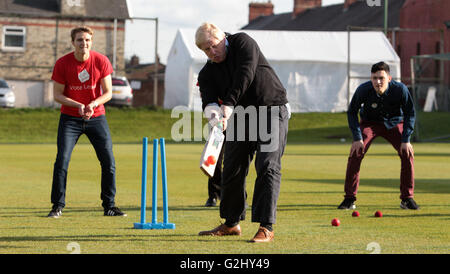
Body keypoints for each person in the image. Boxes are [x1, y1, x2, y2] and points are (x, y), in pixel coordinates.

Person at [195, 23, 290, 242]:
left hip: (271, 109)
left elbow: (244, 76)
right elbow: (208, 100)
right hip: (240, 117)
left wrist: (227, 106)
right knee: (232, 168)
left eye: (214, 46)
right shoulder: (207, 73)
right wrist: (214, 116)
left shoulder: (243, 43)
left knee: (267, 166)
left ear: (222, 38)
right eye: (205, 50)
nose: (212, 53)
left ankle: (266, 226)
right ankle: (231, 223)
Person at [48, 26, 126, 218]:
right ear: (73, 42)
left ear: (92, 41)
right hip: (70, 119)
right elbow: (57, 95)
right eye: (80, 40)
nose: (84, 44)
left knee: (108, 162)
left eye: (87, 40)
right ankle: (57, 206)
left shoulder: (101, 61)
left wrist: (92, 104)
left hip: (96, 117)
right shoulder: (63, 63)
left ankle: (109, 206)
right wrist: (78, 105)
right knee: (62, 161)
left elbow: (108, 92)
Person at [338, 61, 420, 210]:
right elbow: (351, 112)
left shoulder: (400, 89)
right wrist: (357, 138)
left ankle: (407, 199)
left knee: (407, 153)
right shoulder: (363, 90)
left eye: (381, 78)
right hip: (370, 124)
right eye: (374, 78)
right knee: (356, 151)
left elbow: (410, 113)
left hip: (394, 123)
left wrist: (406, 139)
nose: (378, 82)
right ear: (371, 78)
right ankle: (349, 198)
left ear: (389, 78)